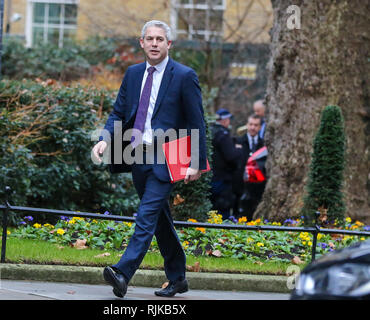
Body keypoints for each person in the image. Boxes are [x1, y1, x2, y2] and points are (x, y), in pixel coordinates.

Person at [91, 20, 207, 298]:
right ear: (141, 42)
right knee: (158, 217)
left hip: (169, 157)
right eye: (150, 39)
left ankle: (122, 272)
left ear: (169, 44)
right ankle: (178, 278)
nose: (155, 43)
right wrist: (104, 139)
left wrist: (197, 162)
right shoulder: (132, 74)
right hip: (136, 155)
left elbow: (197, 121)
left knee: (145, 215)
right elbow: (118, 112)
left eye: (160, 39)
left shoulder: (184, 75)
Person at [210, 108, 241, 219]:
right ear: (225, 120)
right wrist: (238, 150)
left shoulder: (210, 132)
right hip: (222, 179)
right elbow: (231, 156)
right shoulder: (223, 135)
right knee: (223, 210)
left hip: (210, 177)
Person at [233, 114, 265, 220]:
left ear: (260, 127)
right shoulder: (237, 141)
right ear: (247, 125)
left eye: (256, 125)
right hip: (239, 186)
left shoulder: (264, 144)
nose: (252, 127)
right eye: (250, 124)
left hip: (257, 187)